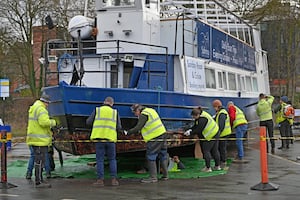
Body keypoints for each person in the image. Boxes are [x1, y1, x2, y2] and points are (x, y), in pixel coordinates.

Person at [126, 104, 168, 183]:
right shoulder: (151, 110)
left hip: (154, 137)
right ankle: (165, 175)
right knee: (163, 155)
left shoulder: (144, 114)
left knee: (151, 156)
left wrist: (128, 132)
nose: (135, 115)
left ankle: (153, 178)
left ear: (138, 110)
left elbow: (138, 127)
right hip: (162, 134)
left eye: (135, 113)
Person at [86, 96, 122, 186]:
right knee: (112, 159)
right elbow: (119, 127)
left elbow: (88, 122)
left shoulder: (97, 110)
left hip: (99, 139)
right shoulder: (115, 112)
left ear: (104, 102)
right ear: (112, 104)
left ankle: (100, 180)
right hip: (110, 139)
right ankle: (114, 180)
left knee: (100, 160)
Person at [26, 93, 56, 188]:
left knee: (38, 160)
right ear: (45, 102)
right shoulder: (41, 109)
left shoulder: (35, 107)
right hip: (40, 140)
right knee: (40, 161)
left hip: (35, 139)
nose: (48, 105)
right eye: (48, 103)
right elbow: (44, 122)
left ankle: (39, 179)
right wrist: (53, 122)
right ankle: (39, 181)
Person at [184, 107, 220, 172]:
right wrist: (190, 129)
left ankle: (208, 168)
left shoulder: (202, 119)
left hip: (210, 134)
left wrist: (190, 133)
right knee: (215, 150)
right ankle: (217, 166)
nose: (193, 118)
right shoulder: (201, 115)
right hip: (216, 132)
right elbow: (196, 126)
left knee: (206, 150)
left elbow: (199, 129)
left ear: (197, 115)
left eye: (194, 116)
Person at [212, 99, 232, 169]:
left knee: (222, 148)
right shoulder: (220, 113)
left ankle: (223, 161)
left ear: (217, 106)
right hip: (224, 133)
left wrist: (218, 133)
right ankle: (222, 160)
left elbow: (221, 125)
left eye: (214, 107)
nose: (214, 109)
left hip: (224, 133)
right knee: (221, 147)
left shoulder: (222, 113)